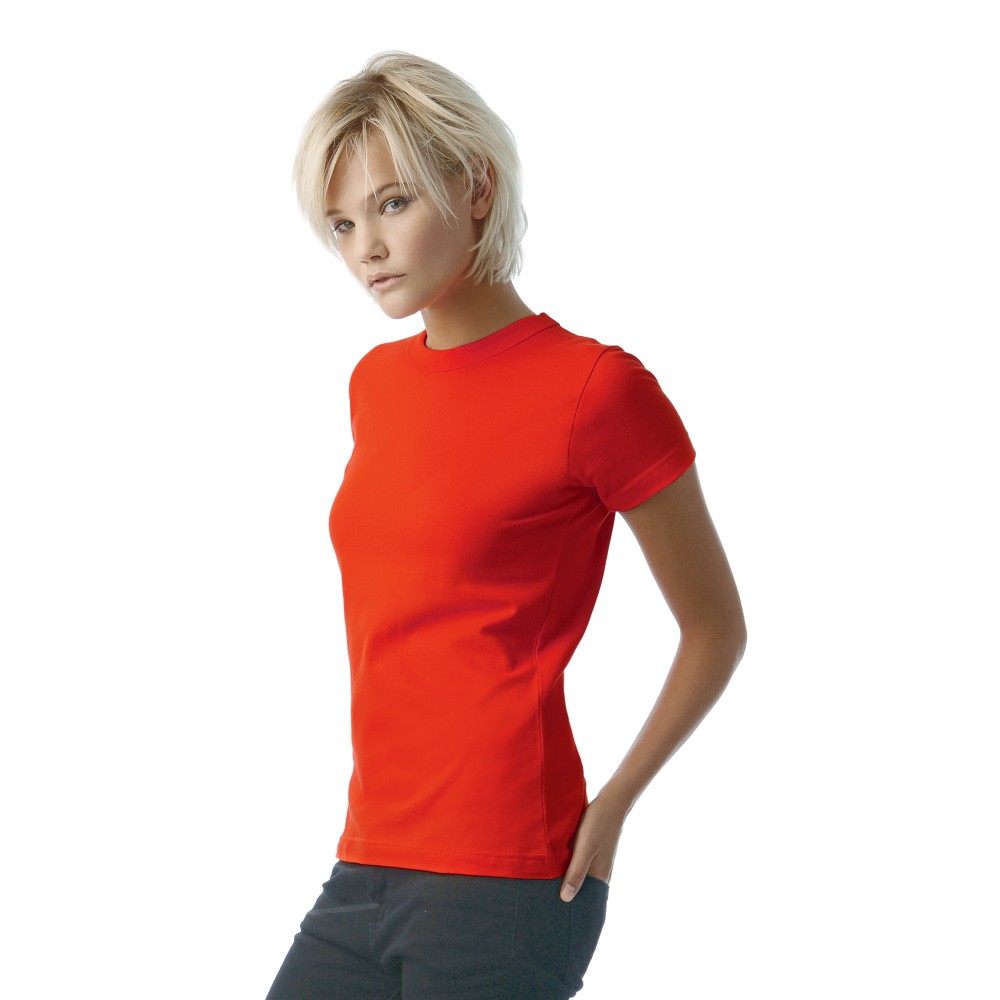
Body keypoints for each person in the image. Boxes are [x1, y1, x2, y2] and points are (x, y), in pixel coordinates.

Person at [265, 51, 746, 1000]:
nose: (366, 248)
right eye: (344, 222)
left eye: (393, 203)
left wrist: (614, 805)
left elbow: (715, 627)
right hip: (367, 859)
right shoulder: (376, 385)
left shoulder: (597, 390)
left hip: (508, 876)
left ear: (477, 188)